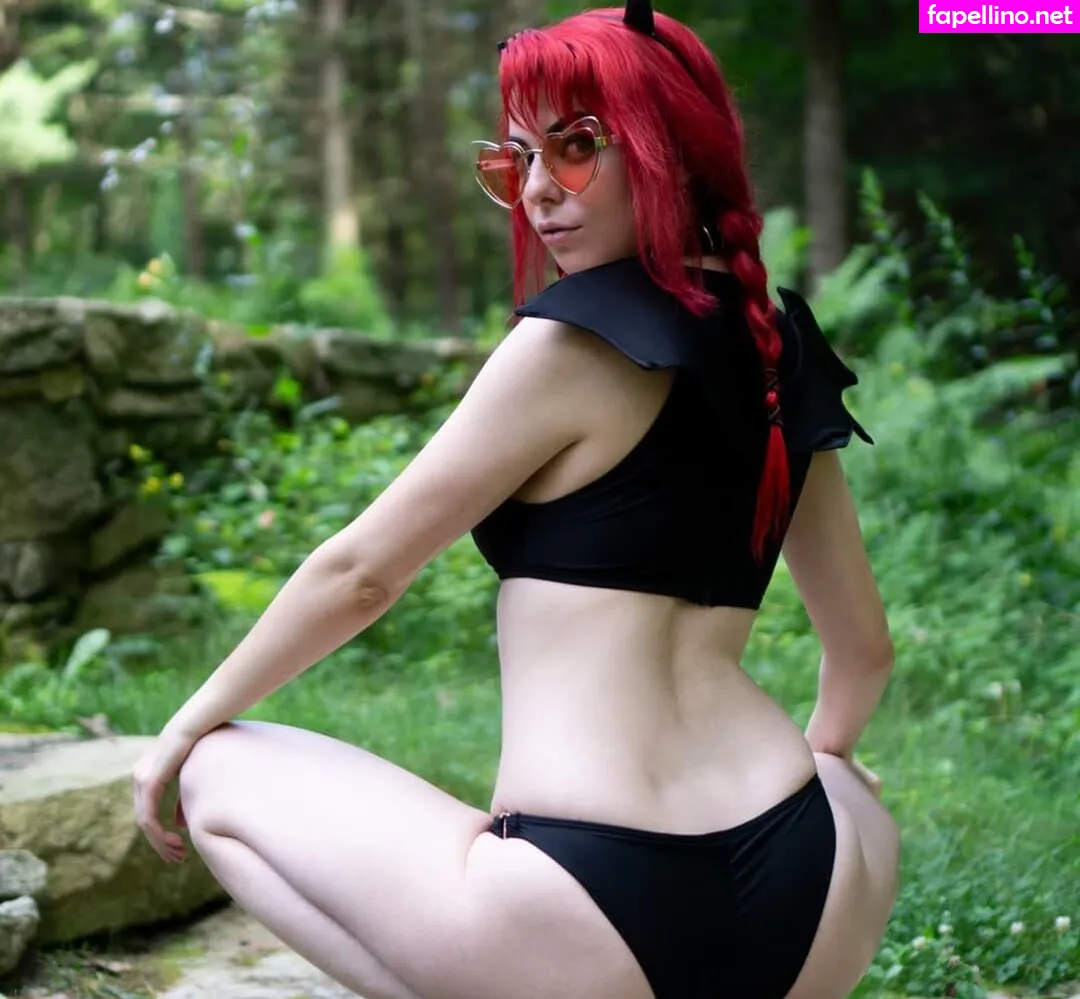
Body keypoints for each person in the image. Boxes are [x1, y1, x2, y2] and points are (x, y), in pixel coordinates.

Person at [132, 2, 901, 997]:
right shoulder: (776, 340)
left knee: (215, 772)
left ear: (670, 148)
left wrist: (188, 721)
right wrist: (830, 759)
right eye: (517, 160)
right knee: (834, 778)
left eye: (575, 149)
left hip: (580, 901)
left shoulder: (569, 342)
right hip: (813, 885)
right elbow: (864, 650)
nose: (538, 190)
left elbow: (362, 573)